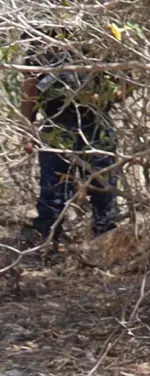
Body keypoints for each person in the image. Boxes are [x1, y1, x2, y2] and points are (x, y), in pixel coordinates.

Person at [21, 47, 118, 244]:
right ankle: (46, 246)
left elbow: (123, 85)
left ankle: (105, 245)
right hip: (57, 122)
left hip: (96, 123)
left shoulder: (103, 37)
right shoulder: (43, 36)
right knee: (52, 192)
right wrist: (27, 127)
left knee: (103, 190)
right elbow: (30, 85)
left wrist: (98, 97)